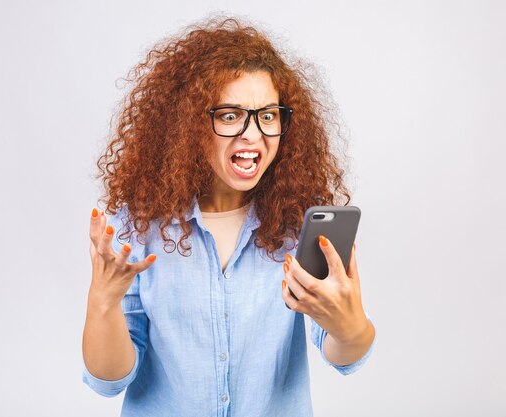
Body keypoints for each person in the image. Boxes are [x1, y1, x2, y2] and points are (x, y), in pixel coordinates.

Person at [82, 15, 376, 417]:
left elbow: (347, 355)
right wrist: (103, 301)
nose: (253, 134)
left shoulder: (297, 225)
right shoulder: (138, 226)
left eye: (268, 116)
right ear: (189, 124)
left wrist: (347, 321)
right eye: (229, 115)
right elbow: (109, 379)